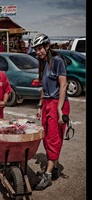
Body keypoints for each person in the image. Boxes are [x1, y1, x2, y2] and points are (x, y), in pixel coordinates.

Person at [31, 33, 70, 190]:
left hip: (57, 104)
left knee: (53, 138)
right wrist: (40, 106)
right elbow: (44, 87)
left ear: (47, 46)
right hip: (47, 103)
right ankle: (53, 167)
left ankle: (47, 176)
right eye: (35, 49)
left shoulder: (58, 61)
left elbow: (63, 85)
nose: (37, 52)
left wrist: (59, 109)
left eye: (39, 48)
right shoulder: (43, 63)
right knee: (46, 138)